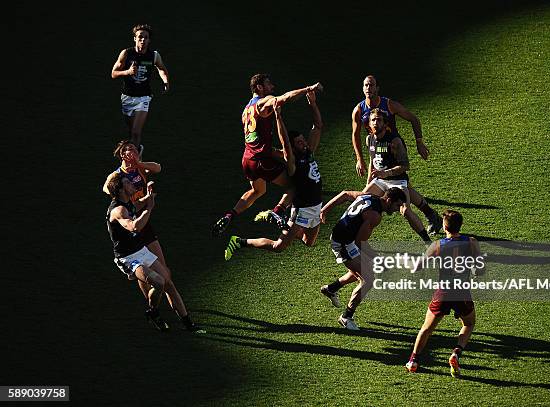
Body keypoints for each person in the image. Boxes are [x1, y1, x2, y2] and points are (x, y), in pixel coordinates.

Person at [211, 74, 323, 236]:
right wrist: (308, 89)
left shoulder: (246, 110)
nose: (272, 87)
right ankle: (277, 210)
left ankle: (231, 214)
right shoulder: (263, 103)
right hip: (261, 159)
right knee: (294, 185)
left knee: (258, 191)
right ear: (259, 87)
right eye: (268, 84)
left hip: (247, 159)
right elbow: (284, 98)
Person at [106, 172, 202, 332]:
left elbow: (136, 205)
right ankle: (153, 311)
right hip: (128, 258)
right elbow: (134, 226)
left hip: (140, 250)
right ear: (121, 189)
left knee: (168, 282)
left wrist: (148, 198)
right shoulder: (118, 210)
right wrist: (148, 209)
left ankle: (187, 323)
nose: (132, 184)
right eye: (127, 183)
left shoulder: (128, 202)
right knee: (158, 282)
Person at [351, 75, 441, 234]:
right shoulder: (359, 110)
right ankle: (431, 215)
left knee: (400, 184)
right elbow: (355, 134)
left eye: (371, 85)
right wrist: (359, 159)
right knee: (403, 187)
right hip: (376, 148)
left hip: (394, 148)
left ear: (377, 88)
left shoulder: (389, 104)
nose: (368, 88)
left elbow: (413, 118)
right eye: (365, 85)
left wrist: (419, 142)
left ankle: (430, 217)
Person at [405, 210, 484, 377]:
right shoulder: (471, 242)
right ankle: (456, 352)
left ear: (444, 226)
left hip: (443, 291)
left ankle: (413, 361)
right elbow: (480, 270)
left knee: (427, 328)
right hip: (462, 291)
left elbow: (417, 267)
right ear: (460, 225)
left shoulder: (438, 245)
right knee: (468, 324)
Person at [319, 188, 407, 330]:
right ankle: (346, 317)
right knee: (368, 280)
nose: (398, 210)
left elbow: (345, 194)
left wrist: (324, 209)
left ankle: (331, 288)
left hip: (345, 240)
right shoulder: (375, 216)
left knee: (366, 268)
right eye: (397, 205)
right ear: (389, 200)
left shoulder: (370, 197)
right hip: (344, 244)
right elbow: (361, 243)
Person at [103, 140, 168, 304]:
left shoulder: (140, 167)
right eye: (128, 149)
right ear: (122, 155)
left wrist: (139, 163)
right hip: (132, 220)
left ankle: (162, 295)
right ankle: (152, 301)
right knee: (142, 264)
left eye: (134, 148)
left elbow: (158, 168)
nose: (133, 150)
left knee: (163, 269)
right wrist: (125, 198)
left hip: (144, 219)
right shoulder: (118, 175)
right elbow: (106, 188)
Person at [361, 108, 433, 243]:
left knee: (406, 211)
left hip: (397, 181)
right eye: (373, 120)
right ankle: (356, 239)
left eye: (379, 120)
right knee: (361, 201)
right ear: (369, 124)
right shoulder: (369, 139)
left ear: (385, 123)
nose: (376, 123)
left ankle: (427, 242)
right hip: (380, 180)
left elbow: (405, 166)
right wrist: (368, 182)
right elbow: (372, 161)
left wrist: (386, 172)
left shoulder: (395, 141)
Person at [111, 24, 170, 156]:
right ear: (135, 38)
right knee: (131, 131)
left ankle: (134, 162)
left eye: (146, 37)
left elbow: (161, 69)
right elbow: (114, 73)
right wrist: (128, 72)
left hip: (144, 97)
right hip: (127, 97)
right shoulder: (126, 53)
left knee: (136, 132)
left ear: (149, 40)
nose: (143, 40)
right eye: (140, 37)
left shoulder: (154, 56)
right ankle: (138, 151)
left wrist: (165, 81)